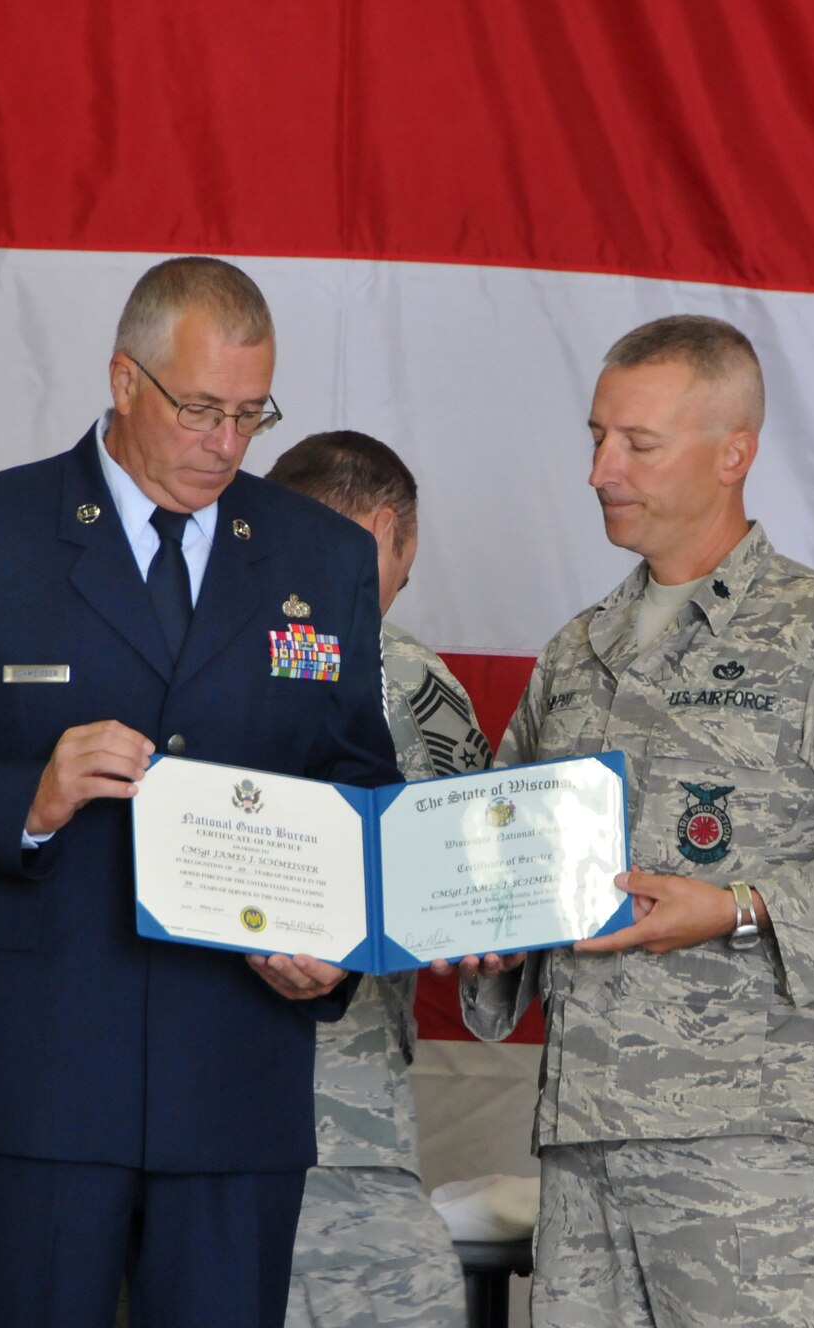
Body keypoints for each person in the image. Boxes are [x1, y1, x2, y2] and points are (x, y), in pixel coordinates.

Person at [0, 257, 399, 1328]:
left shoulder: (319, 556)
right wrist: (27, 798)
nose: (225, 444)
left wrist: (333, 945)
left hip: (236, 1073)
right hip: (34, 1073)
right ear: (123, 380)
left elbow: (360, 780)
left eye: (249, 414)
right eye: (199, 409)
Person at [448, 315, 814, 1327]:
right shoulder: (576, 651)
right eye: (596, 436)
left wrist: (735, 907)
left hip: (750, 1149)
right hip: (582, 1143)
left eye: (637, 443)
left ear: (733, 451)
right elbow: (497, 845)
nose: (601, 468)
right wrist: (483, 936)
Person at [264, 431, 487, 1327]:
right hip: (338, 1138)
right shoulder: (394, 673)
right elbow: (468, 886)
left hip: (160, 1124)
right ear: (388, 531)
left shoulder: (178, 654)